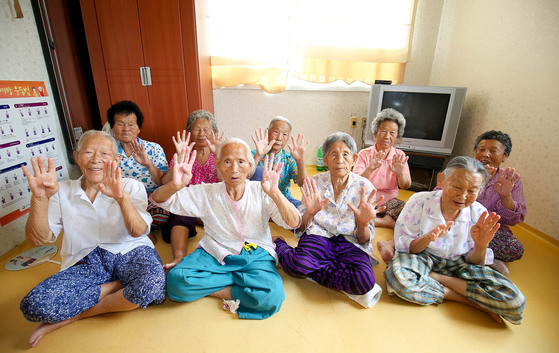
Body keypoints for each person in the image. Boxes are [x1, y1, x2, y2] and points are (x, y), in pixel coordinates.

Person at [19, 130, 165, 347]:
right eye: (88, 152)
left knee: (151, 285)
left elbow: (138, 231)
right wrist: (39, 199)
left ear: (116, 160)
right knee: (35, 305)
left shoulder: (131, 186)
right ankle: (118, 287)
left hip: (131, 251)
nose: (96, 159)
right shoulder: (61, 191)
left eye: (104, 153)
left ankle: (77, 314)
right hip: (86, 260)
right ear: (77, 157)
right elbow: (39, 240)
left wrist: (121, 198)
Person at [151, 138, 301, 319]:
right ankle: (239, 287)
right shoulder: (207, 192)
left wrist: (276, 193)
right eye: (227, 162)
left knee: (272, 297)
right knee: (175, 282)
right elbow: (159, 200)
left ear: (250, 165)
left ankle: (217, 288)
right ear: (218, 165)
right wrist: (174, 185)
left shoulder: (262, 190)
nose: (234, 169)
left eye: (241, 162)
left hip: (255, 254)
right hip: (215, 252)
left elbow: (294, 223)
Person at [384, 156, 526, 325]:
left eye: (472, 191)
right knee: (399, 280)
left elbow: (476, 263)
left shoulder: (479, 212)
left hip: (460, 264)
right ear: (441, 180)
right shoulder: (420, 201)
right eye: (457, 187)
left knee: (515, 302)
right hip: (422, 256)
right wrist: (427, 238)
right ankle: (467, 300)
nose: (463, 196)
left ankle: (436, 278)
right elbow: (409, 249)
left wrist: (481, 246)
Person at [274, 132, 385, 308]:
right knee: (299, 264)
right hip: (319, 236)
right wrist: (309, 213)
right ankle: (280, 245)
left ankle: (313, 270)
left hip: (351, 241)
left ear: (354, 159)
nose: (340, 160)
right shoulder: (314, 183)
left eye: (345, 154)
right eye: (334, 154)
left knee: (364, 281)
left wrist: (363, 223)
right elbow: (302, 227)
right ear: (325, 160)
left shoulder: (365, 187)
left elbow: (363, 239)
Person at [159, 110, 224, 271]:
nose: (201, 133)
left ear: (213, 132)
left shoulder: (221, 154)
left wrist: (219, 157)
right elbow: (164, 182)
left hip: (213, 203)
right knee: (180, 217)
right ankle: (179, 258)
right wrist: (178, 161)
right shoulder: (183, 154)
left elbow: (226, 183)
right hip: (188, 204)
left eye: (206, 129)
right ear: (189, 132)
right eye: (196, 129)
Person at [353, 108, 411, 263]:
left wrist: (400, 173)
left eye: (392, 133)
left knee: (411, 215)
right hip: (367, 201)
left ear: (397, 136)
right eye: (383, 131)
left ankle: (387, 239)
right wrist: (370, 168)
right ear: (375, 132)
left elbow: (406, 185)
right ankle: (383, 221)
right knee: (349, 210)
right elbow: (355, 182)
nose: (387, 136)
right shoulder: (365, 154)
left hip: (390, 204)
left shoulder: (399, 156)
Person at [107, 100, 169, 242]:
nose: (126, 129)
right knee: (107, 208)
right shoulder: (108, 152)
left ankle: (135, 228)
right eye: (120, 124)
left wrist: (148, 164)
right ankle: (143, 232)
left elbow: (163, 183)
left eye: (131, 124)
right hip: (121, 198)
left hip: (150, 197)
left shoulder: (154, 149)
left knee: (162, 214)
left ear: (138, 128)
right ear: (113, 127)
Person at [473, 130, 526, 275]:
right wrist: (476, 182)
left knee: (515, 249)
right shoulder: (464, 170)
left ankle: (474, 253)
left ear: (505, 156)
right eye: (481, 149)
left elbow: (514, 219)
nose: (486, 154)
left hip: (491, 230)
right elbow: (440, 196)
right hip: (459, 223)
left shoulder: (511, 179)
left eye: (493, 151)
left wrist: (506, 196)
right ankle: (486, 257)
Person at [251, 116, 309, 207]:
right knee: (258, 170)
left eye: (284, 134)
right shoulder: (256, 153)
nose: (279, 138)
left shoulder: (289, 158)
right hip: (259, 200)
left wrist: (300, 161)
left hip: (282, 199)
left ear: (288, 138)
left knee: (304, 208)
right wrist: (259, 155)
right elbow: (244, 176)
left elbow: (303, 184)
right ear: (268, 133)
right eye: (276, 132)